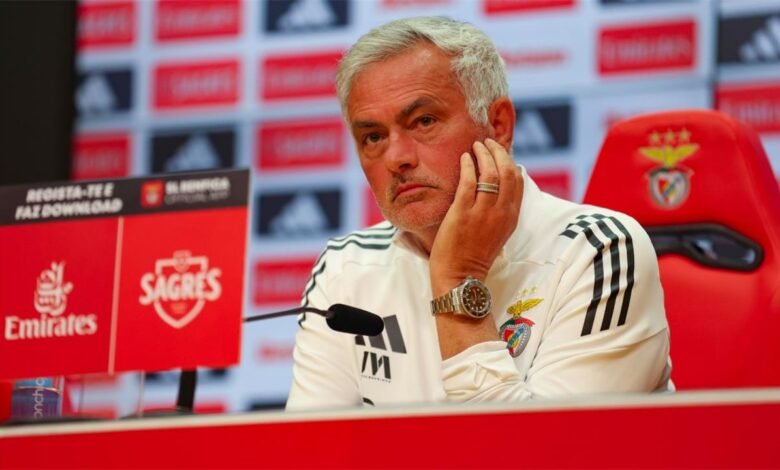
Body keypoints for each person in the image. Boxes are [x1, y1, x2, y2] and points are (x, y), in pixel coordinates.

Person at [286, 16, 672, 410]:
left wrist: (457, 281)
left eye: (423, 122)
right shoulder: (345, 266)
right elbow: (308, 442)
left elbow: (548, 445)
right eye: (373, 137)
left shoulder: (597, 251)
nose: (396, 157)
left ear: (498, 126)